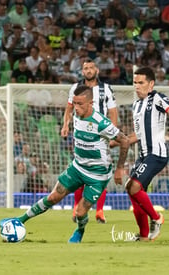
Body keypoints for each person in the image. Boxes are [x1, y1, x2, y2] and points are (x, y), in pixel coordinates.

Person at [0, 85, 130, 243]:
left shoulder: (101, 123)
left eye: (80, 104)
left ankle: (80, 231)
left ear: (91, 103)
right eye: (74, 103)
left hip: (98, 175)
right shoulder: (76, 114)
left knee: (80, 213)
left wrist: (119, 168)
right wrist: (65, 125)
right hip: (77, 167)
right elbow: (69, 114)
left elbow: (125, 140)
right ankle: (20, 219)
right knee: (53, 196)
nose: (76, 107)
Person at [121, 67, 169, 241]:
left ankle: (157, 218)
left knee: (135, 186)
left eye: (141, 83)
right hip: (144, 155)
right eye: (135, 83)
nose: (137, 86)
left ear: (151, 84)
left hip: (157, 153)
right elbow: (139, 134)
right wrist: (119, 141)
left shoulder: (157, 98)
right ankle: (144, 235)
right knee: (130, 189)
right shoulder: (136, 106)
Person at [61, 58, 118, 224]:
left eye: (91, 68)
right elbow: (69, 108)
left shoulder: (106, 89)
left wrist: (113, 132)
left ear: (97, 70)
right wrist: (66, 125)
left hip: (101, 134)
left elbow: (113, 111)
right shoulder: (76, 88)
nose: (88, 70)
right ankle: (76, 207)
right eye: (85, 68)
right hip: (81, 132)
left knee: (101, 170)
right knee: (81, 168)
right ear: (82, 71)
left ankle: (99, 210)